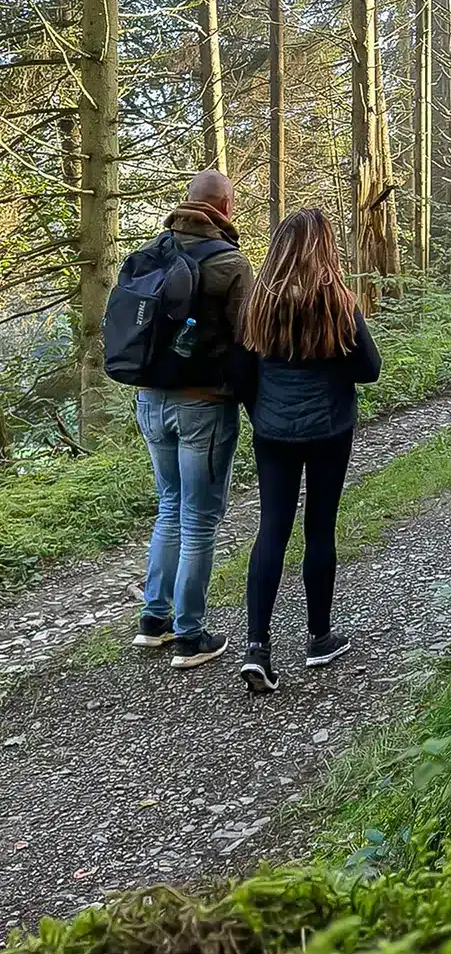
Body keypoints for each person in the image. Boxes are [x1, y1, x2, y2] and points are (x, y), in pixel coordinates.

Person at [233, 207, 381, 694]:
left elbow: (239, 377)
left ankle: (257, 648)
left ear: (279, 247)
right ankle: (319, 637)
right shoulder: (336, 301)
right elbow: (369, 369)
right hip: (329, 431)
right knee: (320, 529)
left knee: (271, 530)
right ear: (325, 248)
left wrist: (261, 409)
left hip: (272, 433)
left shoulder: (257, 301)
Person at [131, 170, 254, 667]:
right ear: (224, 208)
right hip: (203, 404)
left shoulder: (152, 253)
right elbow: (249, 339)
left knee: (169, 508)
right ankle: (189, 634)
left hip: (150, 401)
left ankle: (153, 620)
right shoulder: (230, 263)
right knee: (200, 520)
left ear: (188, 203)